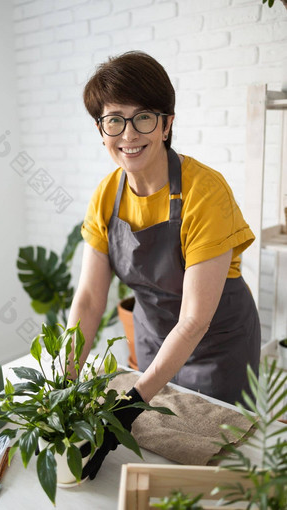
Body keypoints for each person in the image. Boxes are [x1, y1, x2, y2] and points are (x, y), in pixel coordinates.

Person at [66, 51, 261, 479]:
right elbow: (88, 299)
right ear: (101, 130)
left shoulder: (205, 192)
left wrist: (134, 400)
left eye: (144, 118)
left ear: (167, 124)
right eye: (114, 119)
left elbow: (193, 320)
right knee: (159, 452)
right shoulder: (105, 196)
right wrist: (65, 378)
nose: (128, 134)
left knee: (223, 462)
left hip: (217, 348)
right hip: (155, 343)